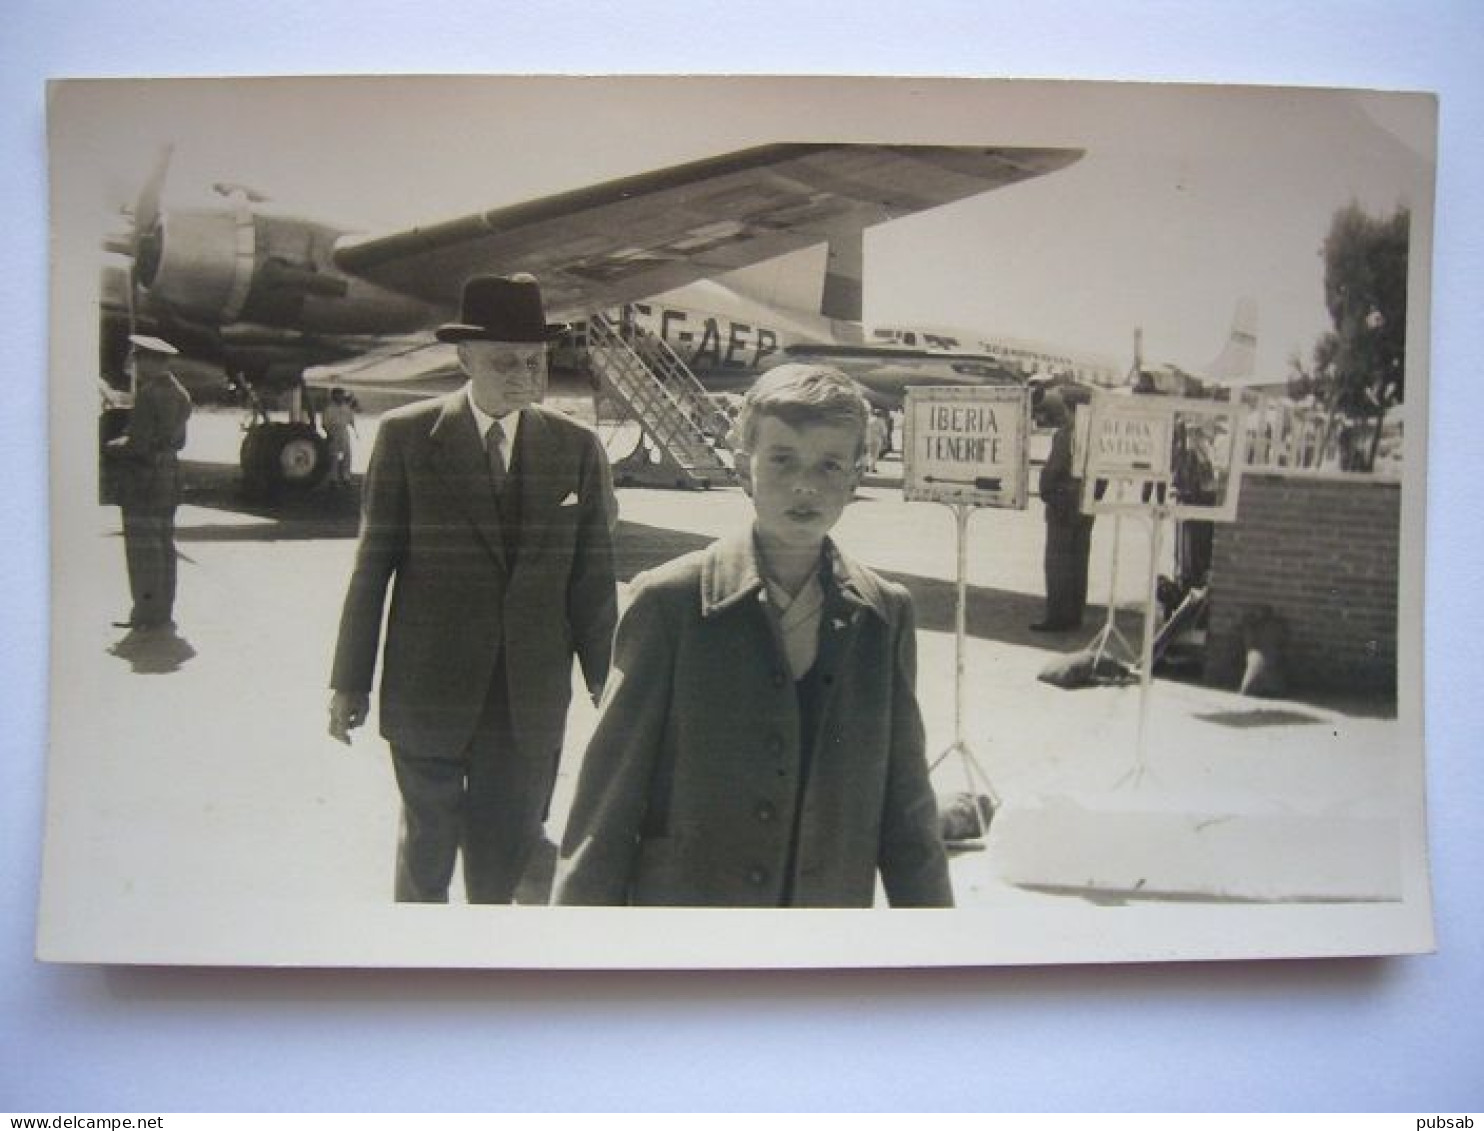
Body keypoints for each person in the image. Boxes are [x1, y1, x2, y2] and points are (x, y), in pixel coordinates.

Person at [554, 363, 953, 908]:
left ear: (857, 478)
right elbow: (606, 809)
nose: (805, 484)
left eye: (830, 464)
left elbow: (907, 812)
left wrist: (934, 954)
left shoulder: (884, 615)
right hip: (695, 941)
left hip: (819, 946)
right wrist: (577, 959)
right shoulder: (670, 602)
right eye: (782, 459)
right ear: (744, 469)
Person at [328, 274, 619, 904]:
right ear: (464, 359)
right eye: (505, 361)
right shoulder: (407, 438)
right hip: (428, 690)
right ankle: (417, 970)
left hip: (528, 701)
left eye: (534, 361)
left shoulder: (576, 449)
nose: (524, 375)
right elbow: (371, 566)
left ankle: (484, 973)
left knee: (504, 858)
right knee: (426, 850)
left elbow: (592, 584)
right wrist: (349, 681)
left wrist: (611, 683)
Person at [103, 334, 193, 632]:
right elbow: (179, 440)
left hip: (143, 480)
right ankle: (162, 612)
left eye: (138, 359)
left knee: (143, 551)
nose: (135, 366)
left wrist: (111, 445)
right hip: (169, 477)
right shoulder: (181, 394)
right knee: (164, 547)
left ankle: (145, 614)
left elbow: (138, 445)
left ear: (154, 360)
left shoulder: (150, 394)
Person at [1032, 390, 1094, 632]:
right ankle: (1074, 615)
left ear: (1069, 408)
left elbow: (1052, 470)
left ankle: (1056, 617)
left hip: (1062, 506)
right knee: (1079, 563)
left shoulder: (1065, 435)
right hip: (1085, 507)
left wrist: (1047, 493)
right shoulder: (1094, 435)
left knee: (1058, 564)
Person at [322, 387, 358, 486]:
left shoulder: (346, 407)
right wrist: (329, 434)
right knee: (334, 455)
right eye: (338, 395)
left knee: (347, 454)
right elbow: (324, 423)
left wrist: (355, 432)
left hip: (344, 432)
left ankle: (346, 477)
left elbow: (351, 420)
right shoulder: (329, 409)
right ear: (333, 396)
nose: (340, 397)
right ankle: (333, 478)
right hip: (334, 432)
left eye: (341, 395)